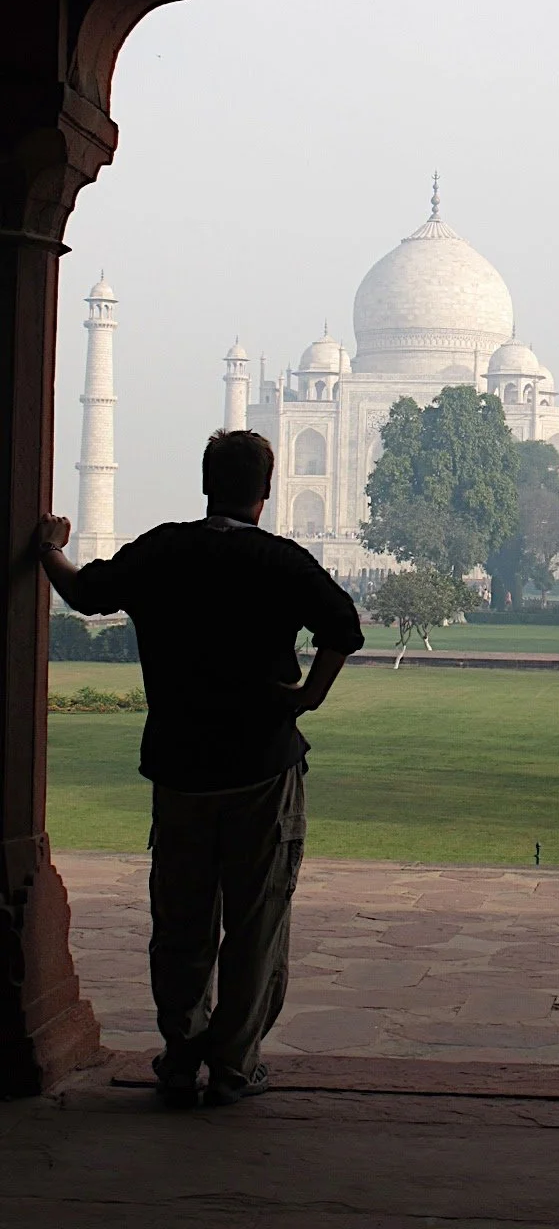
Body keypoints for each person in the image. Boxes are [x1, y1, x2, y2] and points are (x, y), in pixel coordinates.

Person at [37, 429, 364, 1109]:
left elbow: (84, 593)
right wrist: (308, 696)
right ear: (266, 493)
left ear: (206, 481)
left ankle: (182, 1060)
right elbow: (344, 627)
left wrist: (48, 549)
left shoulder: (165, 550)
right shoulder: (281, 561)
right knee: (255, 925)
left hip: (182, 768)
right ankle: (236, 1067)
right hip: (262, 769)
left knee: (182, 922)